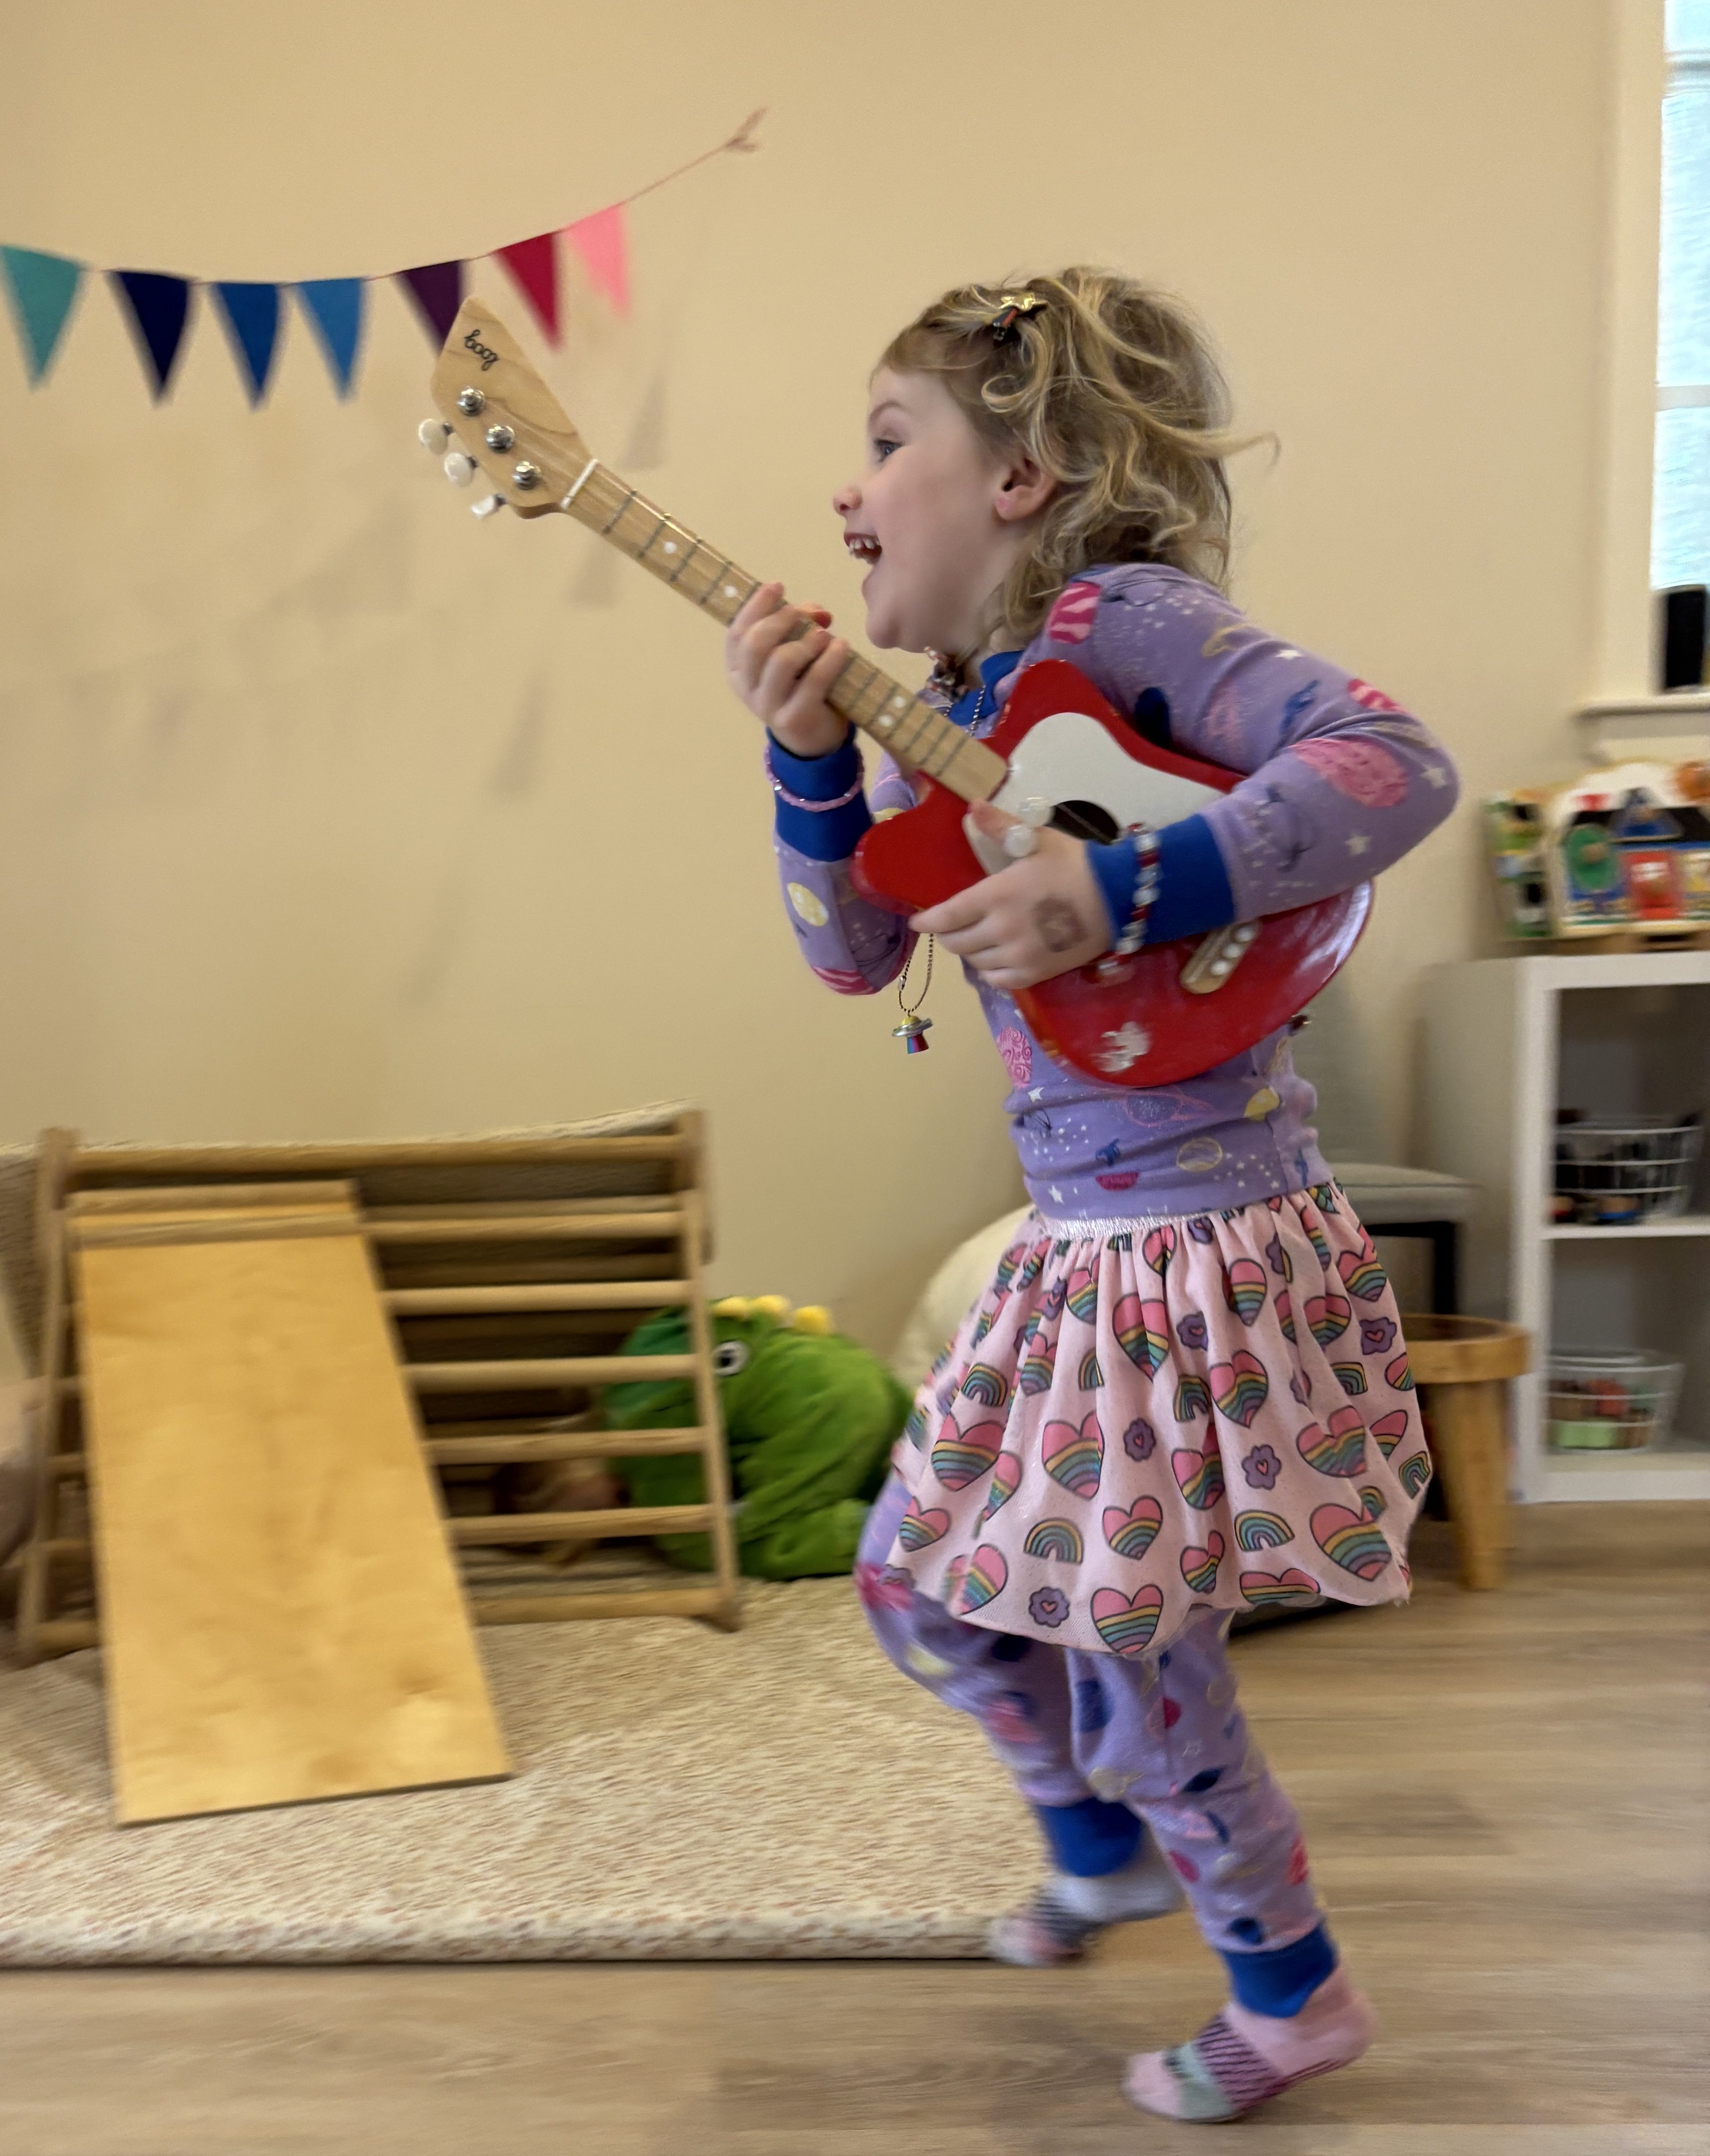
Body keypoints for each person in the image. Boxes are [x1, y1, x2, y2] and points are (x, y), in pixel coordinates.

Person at [721, 268, 1458, 2125]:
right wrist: (808, 762)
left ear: (1023, 475)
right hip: (1082, 1250)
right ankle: (1098, 1845)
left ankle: (1291, 1993)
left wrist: (1121, 888)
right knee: (914, 1582)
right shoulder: (950, 711)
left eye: (887, 439)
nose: (847, 488)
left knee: (1141, 1657)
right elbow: (849, 954)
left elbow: (1394, 764)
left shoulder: (1132, 624)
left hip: (1203, 1239)